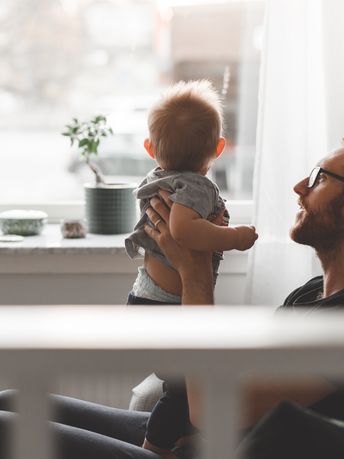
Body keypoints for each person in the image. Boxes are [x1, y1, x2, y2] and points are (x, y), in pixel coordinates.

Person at [0, 137, 344, 459]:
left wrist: (195, 274)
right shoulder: (314, 294)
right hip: (193, 441)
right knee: (6, 404)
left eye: (319, 178)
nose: (301, 187)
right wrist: (189, 260)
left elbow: (212, 406)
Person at [124, 80, 258, 456]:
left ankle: (176, 439)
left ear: (150, 148)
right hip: (166, 307)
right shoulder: (195, 187)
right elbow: (183, 230)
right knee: (183, 390)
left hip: (148, 298)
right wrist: (233, 237)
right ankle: (153, 448)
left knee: (180, 385)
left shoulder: (157, 179)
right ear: (218, 148)